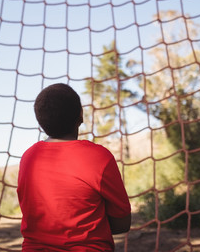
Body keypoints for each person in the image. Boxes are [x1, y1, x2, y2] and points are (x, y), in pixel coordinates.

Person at [17, 83, 131, 251]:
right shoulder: (99, 157)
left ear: (41, 122)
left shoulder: (28, 158)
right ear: (80, 116)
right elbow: (122, 224)